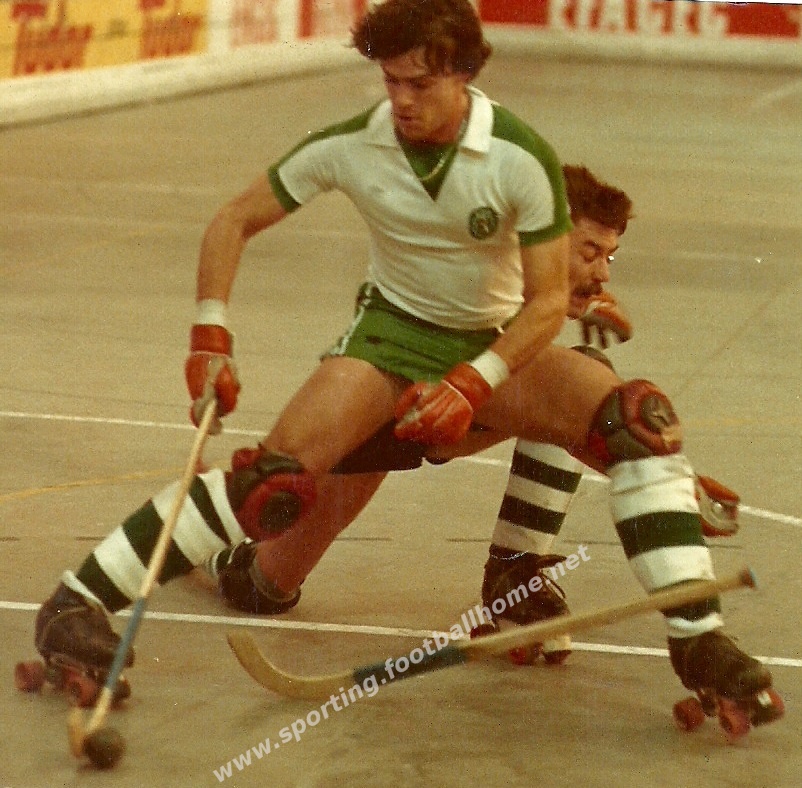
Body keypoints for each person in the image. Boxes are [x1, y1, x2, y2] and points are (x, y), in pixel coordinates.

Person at [33, 0, 779, 724]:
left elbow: (548, 301)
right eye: (390, 80)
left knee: (635, 421)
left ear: (465, 74)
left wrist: (474, 383)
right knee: (270, 489)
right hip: (387, 348)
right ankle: (77, 604)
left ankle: (697, 642)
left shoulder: (519, 158)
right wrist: (210, 336)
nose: (401, 100)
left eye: (420, 83)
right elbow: (234, 219)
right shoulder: (356, 143)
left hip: (489, 350)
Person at [204, 164, 740, 667]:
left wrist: (657, 467)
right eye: (589, 252)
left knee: (590, 390)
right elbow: (458, 436)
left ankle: (514, 575)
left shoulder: (531, 285)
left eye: (609, 257)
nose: (602, 274)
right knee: (263, 588)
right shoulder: (473, 298)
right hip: (385, 430)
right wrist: (668, 479)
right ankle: (212, 541)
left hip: (452, 415)